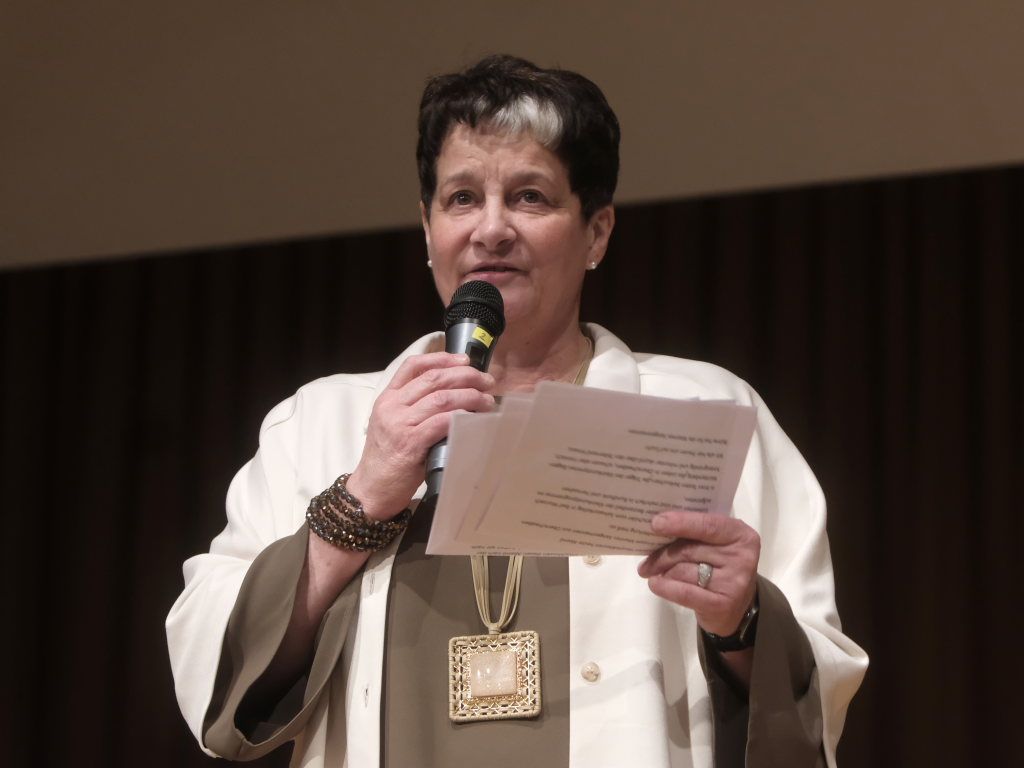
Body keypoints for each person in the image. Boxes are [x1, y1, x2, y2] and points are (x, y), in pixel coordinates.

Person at [167, 55, 867, 767]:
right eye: (462, 198)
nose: (491, 229)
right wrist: (361, 498)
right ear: (427, 227)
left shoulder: (702, 411)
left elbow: (816, 698)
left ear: (596, 233)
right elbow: (210, 671)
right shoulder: (323, 422)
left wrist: (741, 620)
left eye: (530, 197)